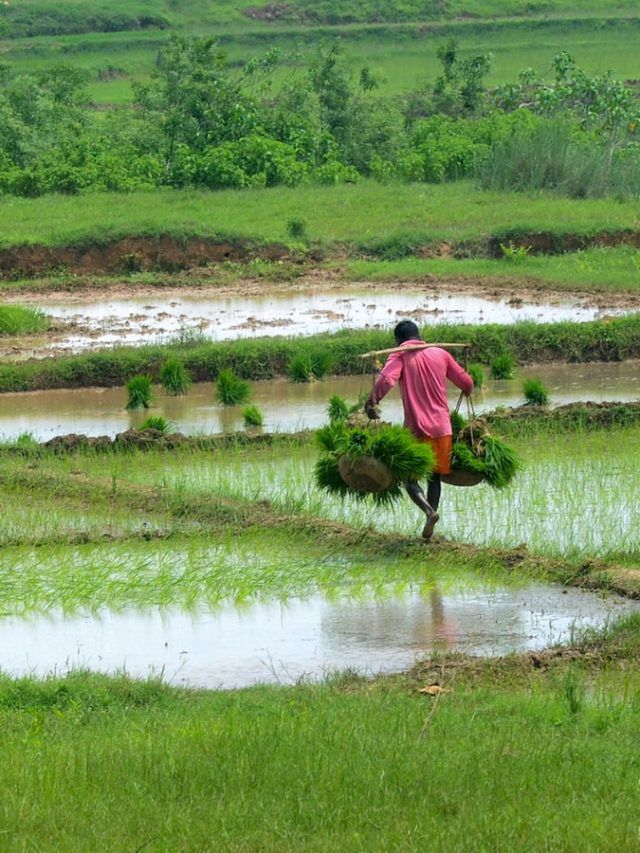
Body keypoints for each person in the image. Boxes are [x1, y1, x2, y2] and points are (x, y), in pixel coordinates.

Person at [365, 320, 473, 541]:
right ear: (419, 335)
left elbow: (386, 380)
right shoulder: (440, 354)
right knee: (434, 477)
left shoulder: (400, 355)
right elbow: (465, 381)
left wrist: (371, 402)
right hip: (443, 428)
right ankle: (429, 530)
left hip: (417, 429)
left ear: (398, 340)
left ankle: (429, 512)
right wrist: (468, 387)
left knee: (409, 478)